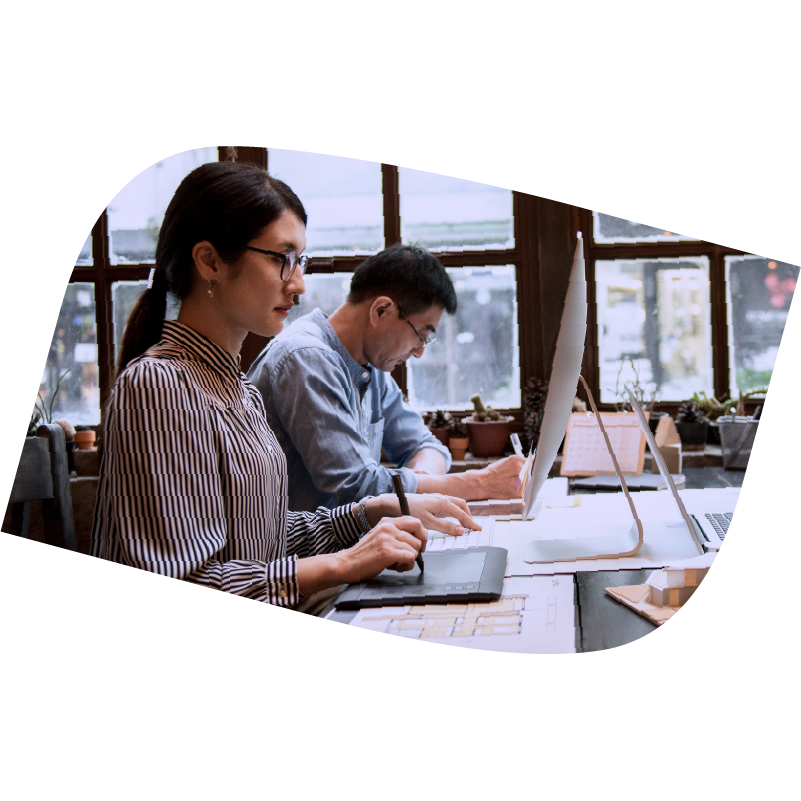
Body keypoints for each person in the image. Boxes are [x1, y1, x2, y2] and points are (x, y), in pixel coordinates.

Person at [91, 161, 478, 611]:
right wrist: (346, 563)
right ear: (210, 261)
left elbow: (267, 539)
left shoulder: (239, 389)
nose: (298, 284)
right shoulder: (157, 386)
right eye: (282, 259)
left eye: (300, 261)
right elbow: (187, 583)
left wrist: (373, 512)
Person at [247, 244, 526, 513]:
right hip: (293, 557)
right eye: (421, 335)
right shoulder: (305, 358)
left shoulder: (371, 368)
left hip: (348, 549)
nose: (418, 352)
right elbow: (356, 487)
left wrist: (417, 488)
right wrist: (478, 483)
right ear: (380, 310)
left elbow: (426, 446)